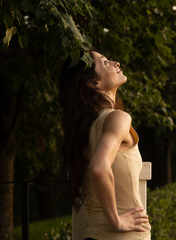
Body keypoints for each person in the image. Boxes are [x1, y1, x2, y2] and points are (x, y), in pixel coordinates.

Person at [59, 49, 151, 240]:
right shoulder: (119, 118)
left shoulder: (84, 130)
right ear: (94, 83)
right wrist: (117, 220)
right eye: (105, 62)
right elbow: (99, 168)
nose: (116, 63)